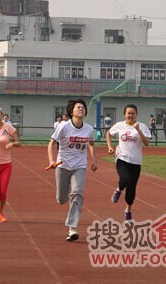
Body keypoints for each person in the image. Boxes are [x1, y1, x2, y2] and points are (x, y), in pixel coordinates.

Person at [47, 99, 97, 242]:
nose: (81, 109)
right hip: (63, 165)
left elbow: (92, 144)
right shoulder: (64, 127)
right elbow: (51, 144)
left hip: (80, 166)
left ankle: (72, 228)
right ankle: (63, 197)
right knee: (62, 199)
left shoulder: (88, 129)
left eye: (83, 107)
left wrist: (94, 161)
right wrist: (51, 160)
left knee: (77, 193)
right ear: (71, 111)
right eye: (78, 107)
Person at [106, 104, 151, 222]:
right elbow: (109, 134)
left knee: (131, 189)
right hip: (122, 158)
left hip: (135, 161)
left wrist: (138, 130)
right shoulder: (119, 125)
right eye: (128, 113)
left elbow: (146, 143)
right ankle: (119, 189)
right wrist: (110, 147)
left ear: (136, 114)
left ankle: (128, 210)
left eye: (133, 113)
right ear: (124, 114)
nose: (130, 115)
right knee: (126, 179)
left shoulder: (142, 126)